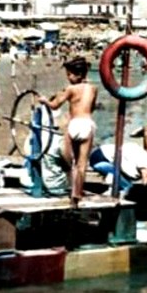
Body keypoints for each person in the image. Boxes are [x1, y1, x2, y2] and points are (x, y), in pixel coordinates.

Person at [38, 56, 98, 207]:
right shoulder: (93, 88)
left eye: (70, 74)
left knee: (72, 162)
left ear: (77, 75)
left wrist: (45, 100)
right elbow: (92, 108)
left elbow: (55, 105)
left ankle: (72, 192)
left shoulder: (71, 89)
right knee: (83, 164)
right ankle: (78, 193)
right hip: (88, 123)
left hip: (74, 124)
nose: (68, 77)